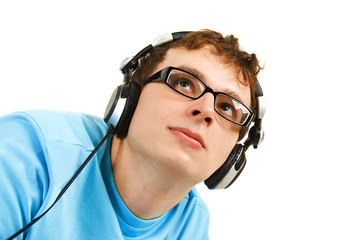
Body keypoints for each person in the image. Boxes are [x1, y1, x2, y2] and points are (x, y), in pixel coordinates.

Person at [0, 29, 263, 239]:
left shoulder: (191, 223)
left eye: (227, 107)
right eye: (184, 83)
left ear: (232, 154)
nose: (206, 110)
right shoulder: (28, 152)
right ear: (130, 99)